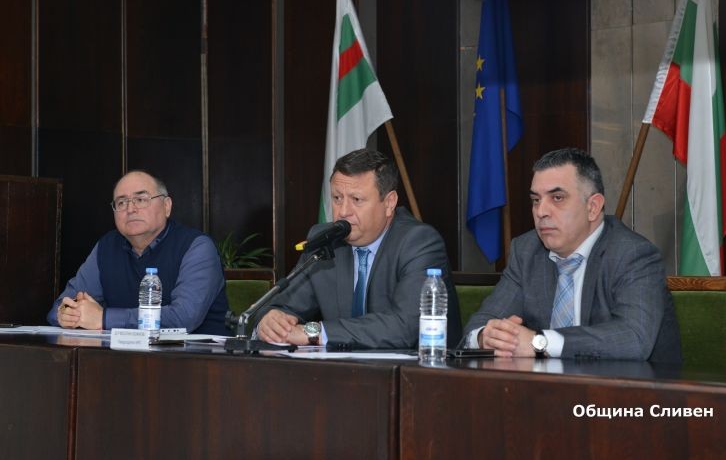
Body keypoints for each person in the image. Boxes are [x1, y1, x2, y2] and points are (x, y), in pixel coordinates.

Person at [462, 147, 681, 363]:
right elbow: (478, 325)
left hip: (624, 385)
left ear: (593, 207)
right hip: (542, 384)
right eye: (536, 200)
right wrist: (486, 337)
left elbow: (634, 338)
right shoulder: (526, 251)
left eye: (557, 198)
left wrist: (540, 342)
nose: (541, 211)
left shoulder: (632, 254)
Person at [255, 148, 461, 349]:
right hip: (342, 369)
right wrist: (270, 321)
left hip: (417, 368)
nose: (344, 211)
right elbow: (281, 306)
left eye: (357, 200)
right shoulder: (327, 239)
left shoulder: (419, 242)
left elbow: (405, 327)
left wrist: (315, 333)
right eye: (337, 198)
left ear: (389, 203)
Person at [47, 170, 229, 335]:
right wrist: (67, 314)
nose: (130, 209)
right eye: (121, 202)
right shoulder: (107, 246)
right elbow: (59, 308)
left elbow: (183, 317)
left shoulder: (196, 247)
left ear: (166, 206)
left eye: (141, 200)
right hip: (120, 356)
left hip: (195, 357)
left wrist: (103, 318)